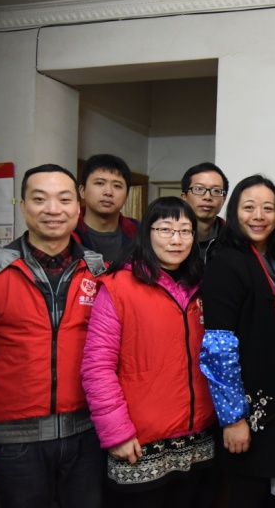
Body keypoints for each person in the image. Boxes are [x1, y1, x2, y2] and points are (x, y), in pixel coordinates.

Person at [81, 197, 216, 507]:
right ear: (147, 233)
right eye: (165, 229)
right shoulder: (119, 286)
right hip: (140, 441)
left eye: (185, 231)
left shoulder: (203, 286)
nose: (176, 240)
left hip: (199, 436)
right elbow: (97, 366)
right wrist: (116, 433)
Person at [0, 164, 106, 508]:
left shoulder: (101, 273)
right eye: (40, 199)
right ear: (23, 206)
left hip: (88, 432)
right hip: (17, 437)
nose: (53, 209)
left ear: (78, 208)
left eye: (64, 199)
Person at [199, 175, 275, 507]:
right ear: (234, 212)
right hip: (248, 412)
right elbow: (218, 349)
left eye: (268, 208)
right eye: (249, 207)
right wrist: (233, 418)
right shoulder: (227, 261)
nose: (258, 216)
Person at [73, 154, 139, 263]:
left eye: (117, 186)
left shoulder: (140, 234)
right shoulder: (67, 233)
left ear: (126, 196)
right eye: (99, 183)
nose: (108, 192)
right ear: (82, 191)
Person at [181, 162, 229, 263]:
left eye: (216, 191)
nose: (207, 197)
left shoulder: (234, 240)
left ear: (223, 200)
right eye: (199, 189)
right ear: (184, 197)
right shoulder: (169, 239)